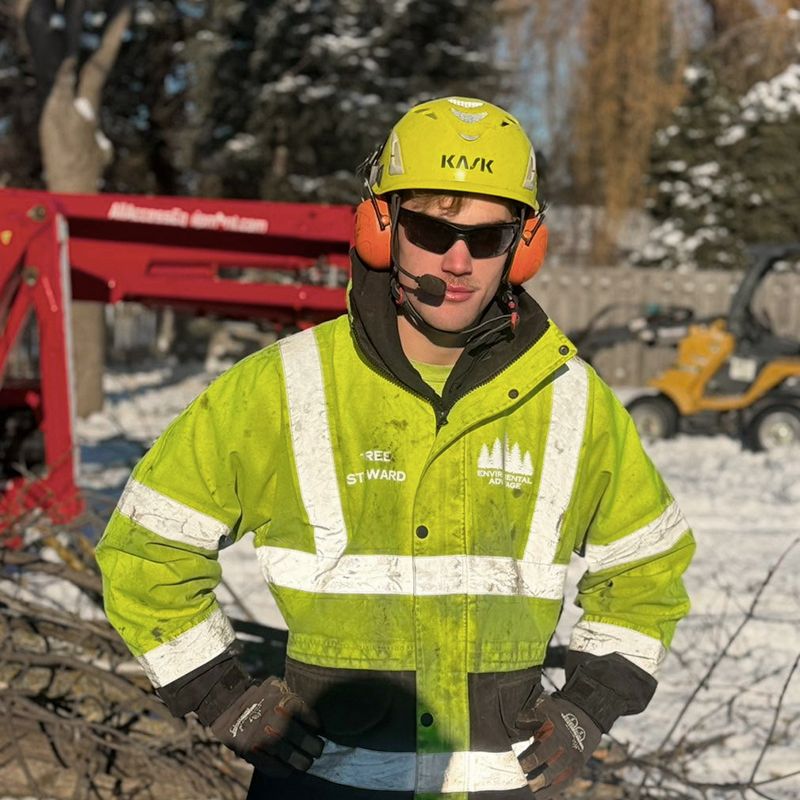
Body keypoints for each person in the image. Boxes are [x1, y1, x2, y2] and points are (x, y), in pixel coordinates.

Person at [96, 96, 695, 800]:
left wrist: (589, 708)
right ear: (382, 228)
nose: (459, 259)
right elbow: (148, 551)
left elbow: (647, 571)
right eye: (430, 229)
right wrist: (224, 695)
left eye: (489, 236)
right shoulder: (282, 389)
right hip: (319, 786)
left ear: (524, 246)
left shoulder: (572, 400)